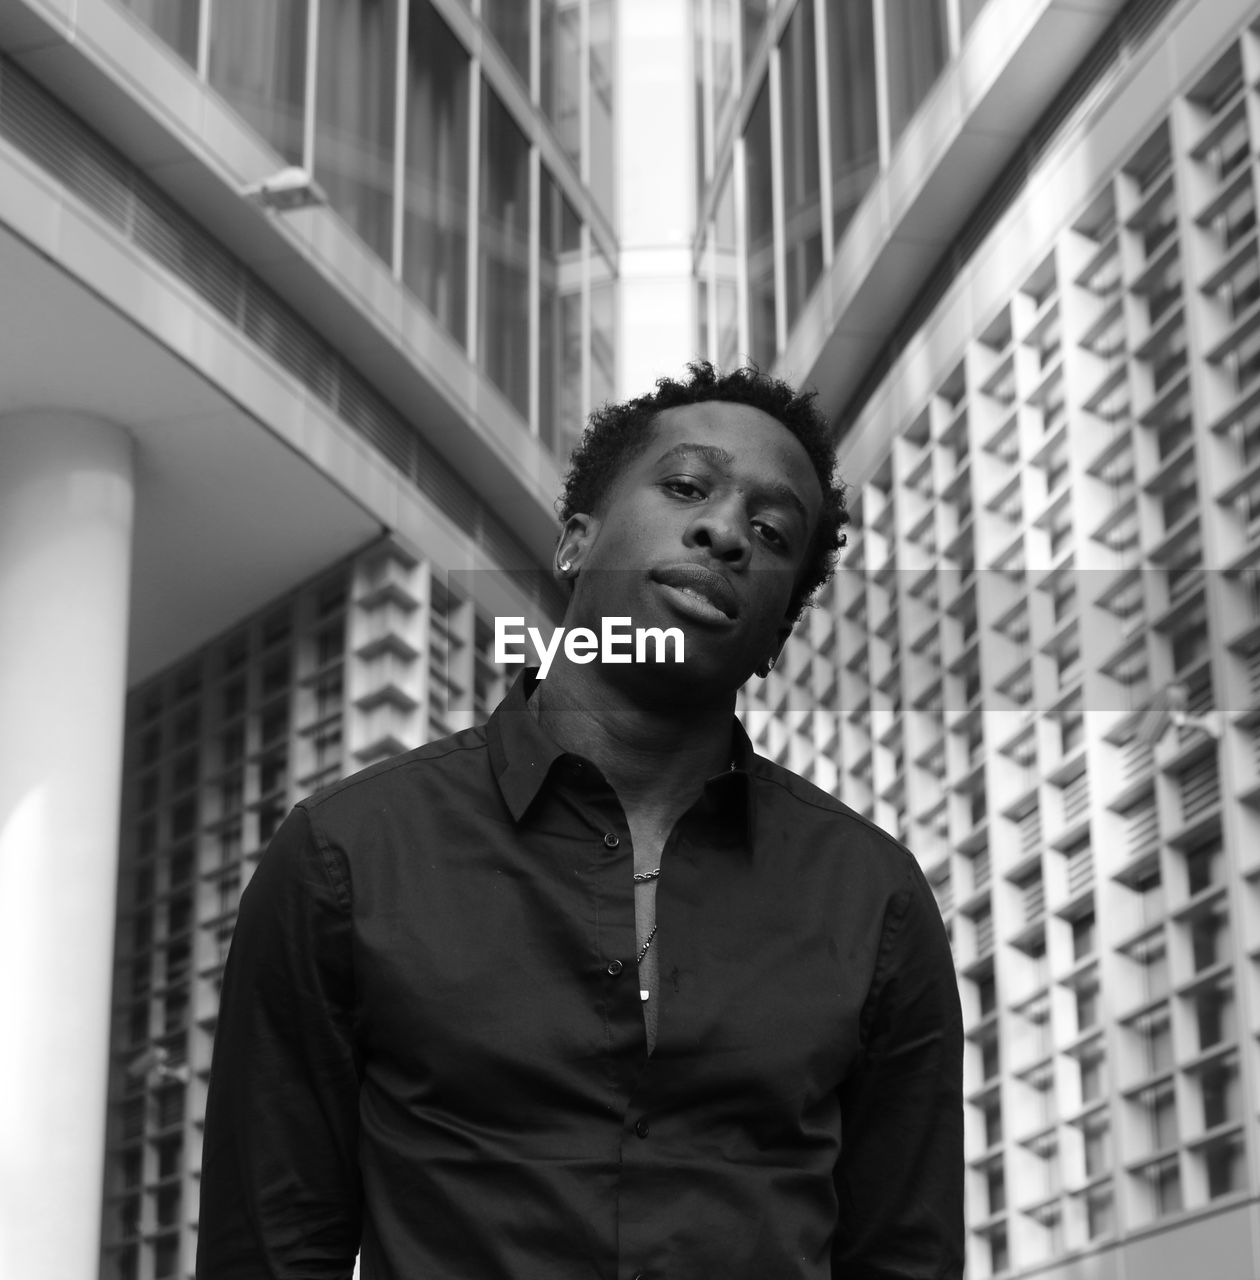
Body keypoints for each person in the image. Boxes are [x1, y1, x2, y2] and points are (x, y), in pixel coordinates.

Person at [196, 362, 964, 1280]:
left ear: (775, 640)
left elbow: (904, 1259)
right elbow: (270, 1250)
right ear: (573, 540)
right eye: (687, 487)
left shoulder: (874, 901)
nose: (724, 532)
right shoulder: (344, 856)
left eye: (771, 531)